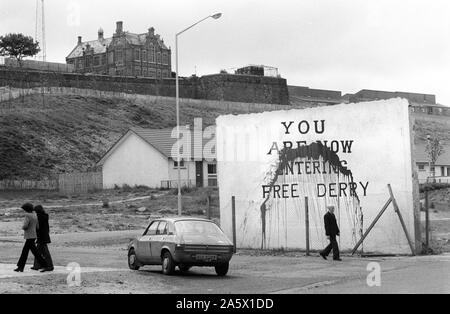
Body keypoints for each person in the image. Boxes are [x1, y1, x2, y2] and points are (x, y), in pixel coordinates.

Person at [15, 203, 51, 272]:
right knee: (31, 252)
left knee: (28, 252)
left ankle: (44, 265)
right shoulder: (35, 215)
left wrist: (23, 228)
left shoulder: (27, 215)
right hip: (34, 235)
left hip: (28, 236)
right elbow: (37, 226)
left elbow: (25, 226)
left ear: (26, 209)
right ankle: (20, 267)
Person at [31, 205, 54, 271]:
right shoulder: (43, 216)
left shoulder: (39, 217)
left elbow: (37, 228)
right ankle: (37, 265)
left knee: (44, 253)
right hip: (43, 236)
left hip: (41, 237)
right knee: (39, 252)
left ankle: (49, 266)